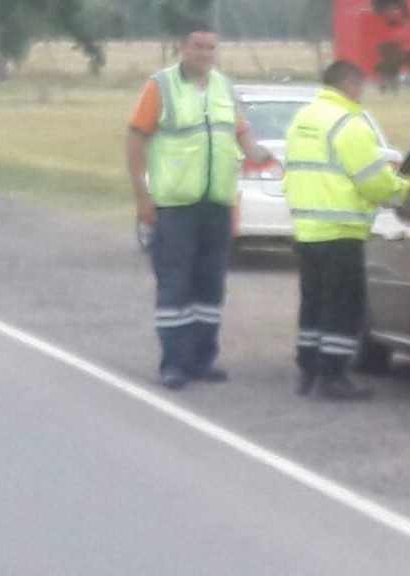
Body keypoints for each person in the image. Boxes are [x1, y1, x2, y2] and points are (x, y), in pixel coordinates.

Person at [126, 22, 271, 389]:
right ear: (183, 49)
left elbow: (239, 129)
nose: (205, 54)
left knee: (210, 285)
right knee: (175, 285)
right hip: (176, 205)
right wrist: (142, 197)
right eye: (198, 47)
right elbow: (136, 137)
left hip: (216, 203)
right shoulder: (161, 86)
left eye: (211, 48)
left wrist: (255, 152)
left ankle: (202, 359)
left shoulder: (223, 86)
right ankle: (174, 363)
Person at [283, 60, 410, 400]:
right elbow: (373, 181)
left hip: (307, 229)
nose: (362, 93)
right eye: (360, 86)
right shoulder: (348, 123)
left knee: (313, 303)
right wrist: (404, 190)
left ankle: (308, 370)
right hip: (340, 229)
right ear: (349, 85)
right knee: (343, 304)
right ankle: (333, 375)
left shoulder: (303, 119)